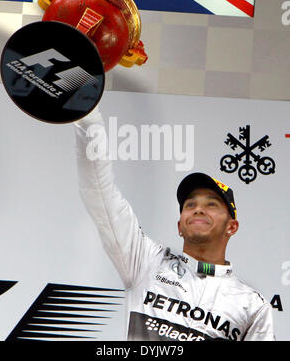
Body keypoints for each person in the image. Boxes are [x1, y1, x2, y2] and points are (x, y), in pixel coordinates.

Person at [74, 106, 275, 341]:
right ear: (180, 226)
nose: (198, 208)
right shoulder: (147, 262)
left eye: (212, 204)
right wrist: (88, 118)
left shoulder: (253, 306)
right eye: (190, 205)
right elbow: (100, 193)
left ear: (232, 227)